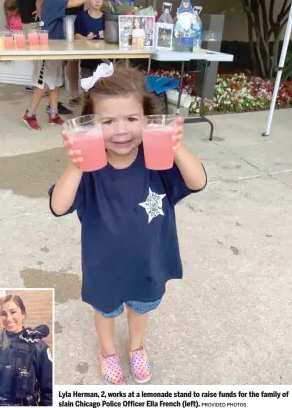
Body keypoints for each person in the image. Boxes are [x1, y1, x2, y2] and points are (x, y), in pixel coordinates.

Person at [48, 66, 207, 385]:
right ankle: (107, 351)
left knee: (141, 307)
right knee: (105, 311)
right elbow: (58, 205)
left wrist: (177, 146)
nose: (121, 130)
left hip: (148, 261)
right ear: (91, 126)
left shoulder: (157, 159)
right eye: (107, 121)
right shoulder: (90, 167)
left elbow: (197, 181)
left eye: (132, 119)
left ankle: (137, 347)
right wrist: (76, 165)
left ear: (147, 120)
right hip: (103, 265)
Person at [23, 0, 111, 131]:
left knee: (55, 83)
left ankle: (53, 113)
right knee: (42, 84)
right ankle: (30, 114)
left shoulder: (54, 1)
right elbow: (73, 1)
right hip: (47, 50)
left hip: (56, 49)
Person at [74, 0, 105, 79]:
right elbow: (76, 35)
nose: (97, 1)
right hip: (86, 61)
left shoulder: (107, 18)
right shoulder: (81, 16)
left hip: (104, 61)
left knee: (103, 88)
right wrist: (85, 38)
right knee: (86, 88)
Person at [63, 0, 84, 107]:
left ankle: (76, 93)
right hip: (63, 16)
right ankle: (73, 94)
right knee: (70, 58)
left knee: (75, 57)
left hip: (78, 14)